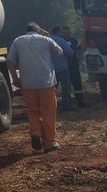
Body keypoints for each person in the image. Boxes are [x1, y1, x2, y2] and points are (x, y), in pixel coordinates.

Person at [7, 22, 64, 153]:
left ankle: (36, 133)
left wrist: (15, 79)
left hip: (27, 84)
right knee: (48, 112)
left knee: (33, 111)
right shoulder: (45, 39)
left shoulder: (18, 41)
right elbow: (59, 52)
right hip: (46, 83)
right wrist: (48, 36)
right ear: (39, 31)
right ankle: (49, 143)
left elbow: (10, 61)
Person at [61, 26, 89, 108]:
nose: (66, 34)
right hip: (65, 65)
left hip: (74, 64)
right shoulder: (60, 41)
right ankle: (68, 102)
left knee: (77, 82)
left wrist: (80, 59)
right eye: (64, 33)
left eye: (67, 32)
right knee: (67, 84)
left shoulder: (73, 40)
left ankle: (80, 101)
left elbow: (78, 49)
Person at [50, 27, 75, 111]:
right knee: (65, 87)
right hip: (63, 67)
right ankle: (66, 105)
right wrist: (70, 61)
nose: (63, 34)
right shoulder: (61, 41)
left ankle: (52, 105)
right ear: (57, 32)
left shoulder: (47, 40)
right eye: (61, 32)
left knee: (52, 88)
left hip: (51, 68)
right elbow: (70, 52)